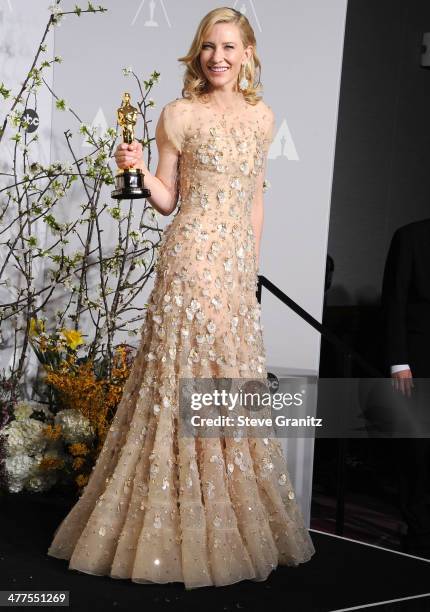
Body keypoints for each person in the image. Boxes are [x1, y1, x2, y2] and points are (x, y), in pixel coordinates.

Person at [47, 7, 315, 588]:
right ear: (199, 54)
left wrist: (249, 268)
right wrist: (140, 169)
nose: (217, 57)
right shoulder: (180, 115)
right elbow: (168, 201)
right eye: (208, 47)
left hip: (234, 269)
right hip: (189, 259)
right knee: (179, 377)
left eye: (228, 47)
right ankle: (168, 520)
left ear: (246, 53)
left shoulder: (263, 118)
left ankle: (222, 516)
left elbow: (255, 200)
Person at [381, 218, 430, 557]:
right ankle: (419, 535)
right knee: (418, 453)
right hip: (417, 360)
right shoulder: (411, 235)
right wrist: (399, 361)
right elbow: (394, 301)